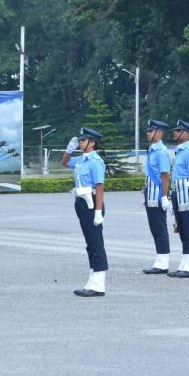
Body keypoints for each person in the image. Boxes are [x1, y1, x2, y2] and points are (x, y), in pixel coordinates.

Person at [62, 127, 107, 297]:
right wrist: (69, 149)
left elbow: (100, 187)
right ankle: (92, 280)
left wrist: (98, 211)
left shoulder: (96, 161)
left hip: (92, 203)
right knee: (90, 244)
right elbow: (65, 163)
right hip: (81, 202)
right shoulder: (81, 159)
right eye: (79, 140)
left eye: (83, 140)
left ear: (92, 143)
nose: (80, 143)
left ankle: (99, 284)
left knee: (96, 243)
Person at [168, 120, 189, 278]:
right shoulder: (179, 151)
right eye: (175, 130)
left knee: (188, 229)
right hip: (177, 192)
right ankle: (185, 263)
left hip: (186, 193)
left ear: (187, 134)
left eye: (179, 130)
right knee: (181, 229)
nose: (175, 132)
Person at [142, 120, 172, 275]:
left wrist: (165, 196)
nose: (147, 133)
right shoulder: (152, 150)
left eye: (151, 130)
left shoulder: (160, 151)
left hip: (158, 195)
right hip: (150, 194)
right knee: (154, 227)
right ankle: (160, 260)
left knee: (159, 228)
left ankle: (163, 262)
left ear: (159, 133)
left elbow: (165, 175)